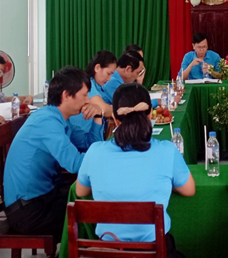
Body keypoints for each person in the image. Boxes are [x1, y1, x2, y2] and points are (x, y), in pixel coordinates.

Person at [76, 83, 194, 257]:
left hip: (109, 252)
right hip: (155, 251)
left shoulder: (94, 151)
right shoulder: (167, 150)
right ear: (150, 115)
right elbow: (189, 190)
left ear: (115, 119)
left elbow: (80, 191)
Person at [4, 66, 104, 242]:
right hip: (28, 211)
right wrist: (109, 162)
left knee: (91, 199)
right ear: (66, 95)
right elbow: (74, 164)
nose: (88, 100)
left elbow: (89, 145)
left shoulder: (59, 119)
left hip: (45, 197)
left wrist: (98, 116)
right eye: (84, 95)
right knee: (91, 211)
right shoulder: (47, 122)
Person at [83, 50, 118, 118]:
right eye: (108, 73)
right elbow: (103, 109)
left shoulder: (99, 86)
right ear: (97, 68)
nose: (109, 79)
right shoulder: (88, 84)